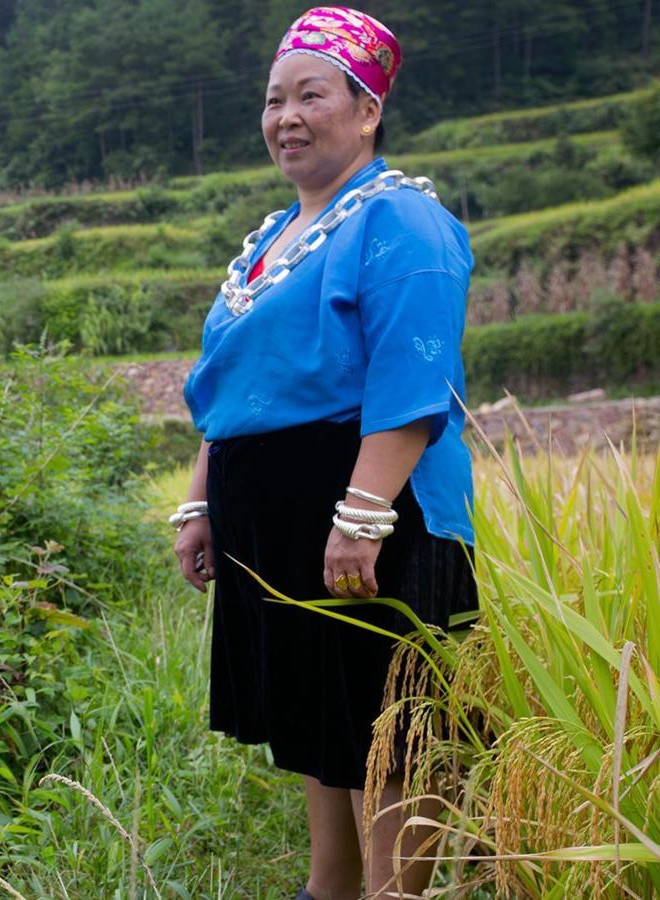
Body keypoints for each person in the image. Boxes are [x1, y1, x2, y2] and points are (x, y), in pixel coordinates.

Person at [173, 8, 480, 900]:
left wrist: (363, 515)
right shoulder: (272, 238)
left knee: (388, 725)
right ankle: (330, 887)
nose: (287, 117)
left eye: (312, 95)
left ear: (367, 110)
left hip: (377, 514)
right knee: (317, 714)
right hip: (274, 518)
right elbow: (230, 386)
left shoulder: (401, 219)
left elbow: (414, 379)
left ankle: (393, 894)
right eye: (275, 100)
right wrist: (201, 501)